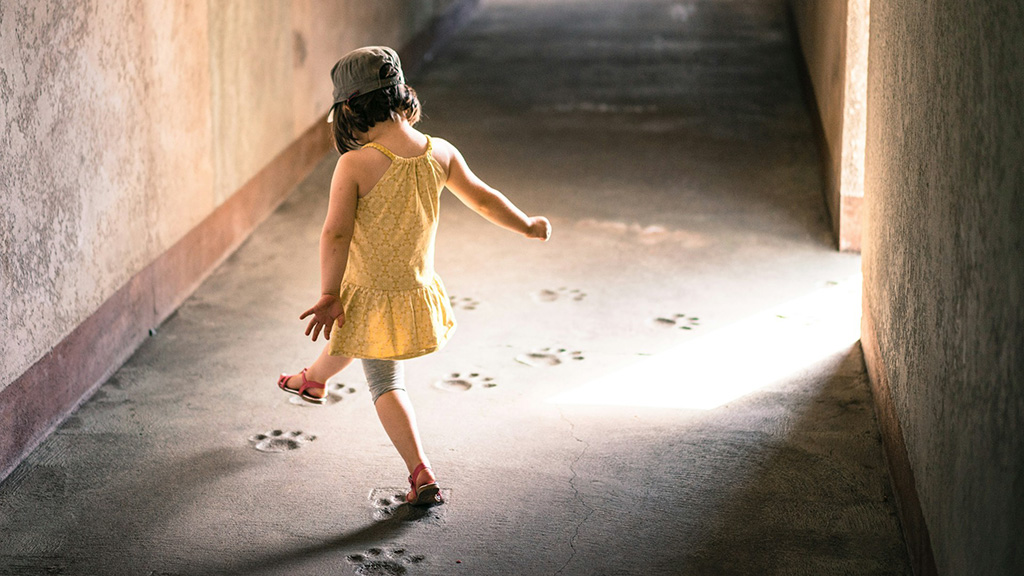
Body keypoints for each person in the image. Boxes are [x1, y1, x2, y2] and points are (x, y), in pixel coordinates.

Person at [277, 46, 551, 506]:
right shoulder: (439, 151)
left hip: (370, 293)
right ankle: (313, 379)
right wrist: (526, 224)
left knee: (384, 382)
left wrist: (329, 292)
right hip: (414, 290)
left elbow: (336, 233)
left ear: (347, 109)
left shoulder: (356, 163)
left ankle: (420, 472)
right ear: (402, 93)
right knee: (356, 338)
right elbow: (484, 198)